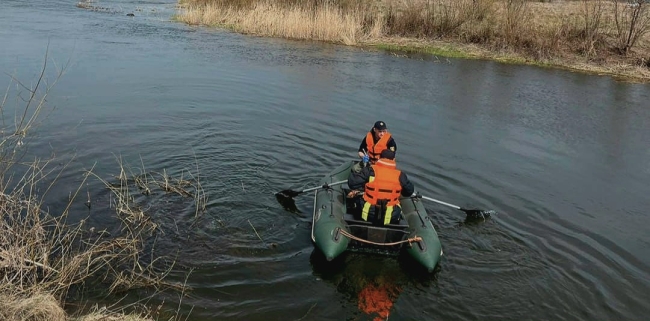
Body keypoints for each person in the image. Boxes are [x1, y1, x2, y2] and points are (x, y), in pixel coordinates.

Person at [347, 149, 414, 225]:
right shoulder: (401, 175)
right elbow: (409, 192)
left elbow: (352, 183)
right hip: (391, 217)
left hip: (367, 214)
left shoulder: (370, 170)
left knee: (355, 200)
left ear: (379, 158)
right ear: (394, 160)